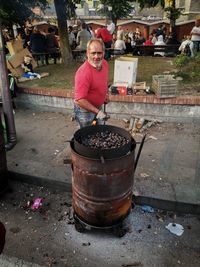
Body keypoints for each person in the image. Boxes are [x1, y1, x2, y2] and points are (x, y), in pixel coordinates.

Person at [74, 39, 109, 128]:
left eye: (99, 53)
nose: (96, 56)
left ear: (104, 53)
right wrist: (97, 112)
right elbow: (79, 99)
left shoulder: (104, 64)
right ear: (87, 53)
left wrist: (106, 94)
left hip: (98, 107)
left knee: (99, 131)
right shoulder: (83, 73)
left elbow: (103, 80)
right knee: (86, 135)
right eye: (93, 53)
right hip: (84, 111)